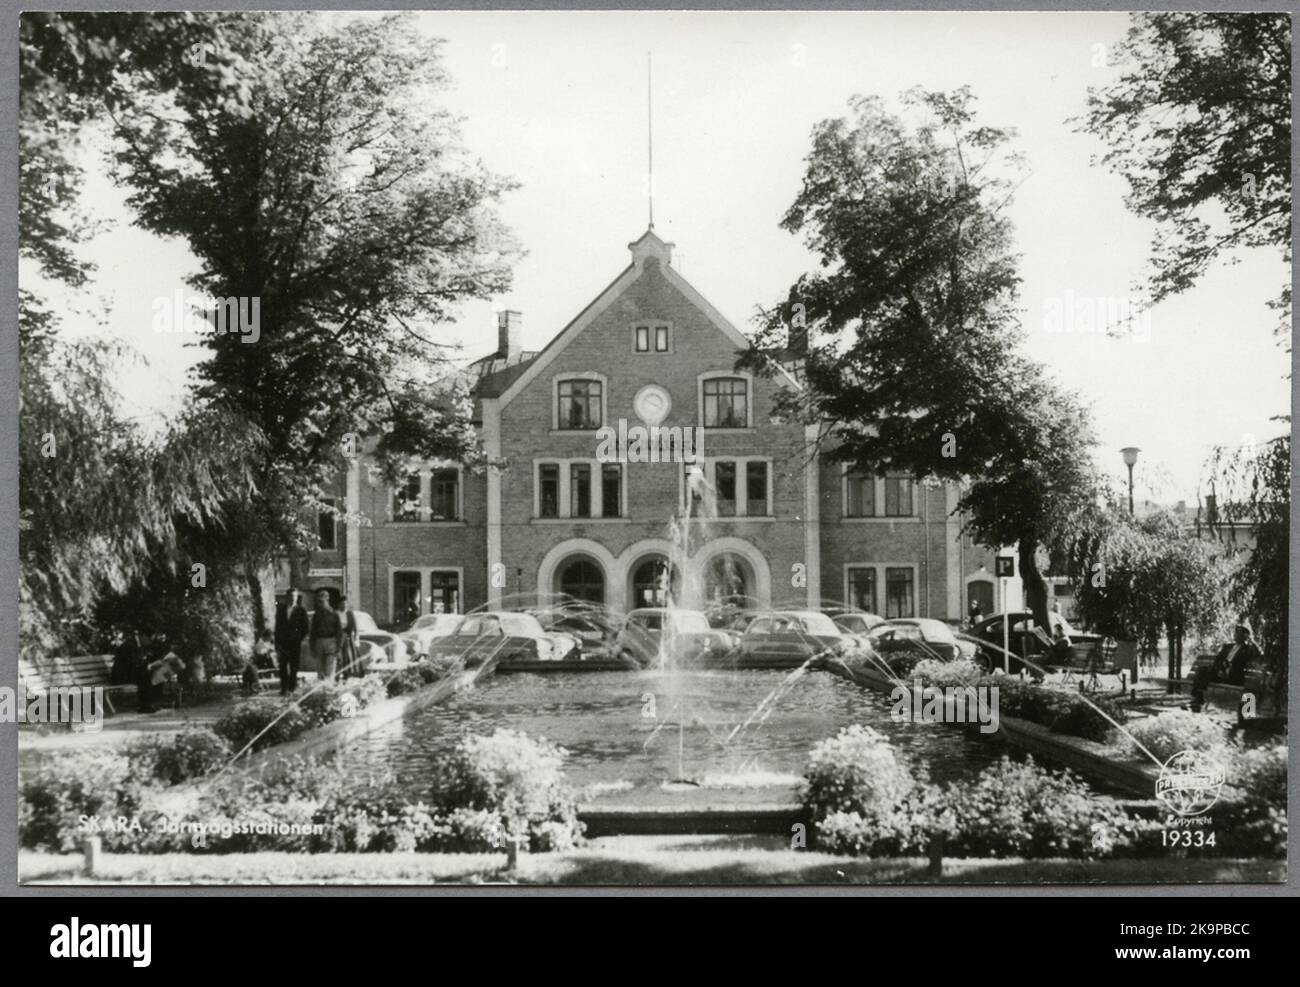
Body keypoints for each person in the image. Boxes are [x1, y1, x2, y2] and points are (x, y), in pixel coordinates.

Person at [1190, 623, 1262, 712]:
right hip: (1220, 672)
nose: (1235, 635)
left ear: (1244, 636)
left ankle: (1198, 700)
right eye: (1235, 633)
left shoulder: (1247, 649)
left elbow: (1257, 654)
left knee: (1206, 672)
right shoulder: (1228, 646)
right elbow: (1218, 659)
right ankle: (1198, 698)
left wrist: (1250, 640)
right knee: (1202, 670)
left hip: (1233, 676)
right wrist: (1219, 669)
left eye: (1238, 633)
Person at [274, 589, 309, 695]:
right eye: (291, 596)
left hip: (295, 643)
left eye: (295, 596)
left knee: (294, 666)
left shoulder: (301, 610)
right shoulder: (281, 609)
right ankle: (283, 688)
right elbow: (278, 626)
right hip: (283, 643)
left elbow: (306, 627)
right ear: (287, 597)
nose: (293, 598)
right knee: (283, 666)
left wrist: (299, 638)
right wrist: (277, 640)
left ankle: (291, 688)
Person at [308, 589, 344, 683]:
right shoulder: (317, 615)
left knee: (329, 670)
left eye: (322, 601)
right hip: (319, 642)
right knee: (320, 670)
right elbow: (313, 632)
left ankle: (328, 689)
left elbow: (339, 632)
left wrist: (339, 648)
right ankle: (321, 691)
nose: (320, 604)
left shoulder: (334, 614)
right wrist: (312, 648)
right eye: (319, 601)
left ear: (327, 600)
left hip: (331, 641)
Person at [339, 595, 361, 678]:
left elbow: (355, 627)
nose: (344, 605)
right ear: (339, 604)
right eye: (342, 604)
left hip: (348, 637)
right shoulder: (337, 613)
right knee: (341, 656)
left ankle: (350, 673)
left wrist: (356, 637)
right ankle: (340, 674)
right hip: (339, 637)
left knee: (350, 655)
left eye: (345, 604)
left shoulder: (350, 614)